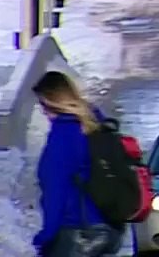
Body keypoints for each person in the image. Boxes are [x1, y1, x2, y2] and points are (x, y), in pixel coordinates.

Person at [32, 70, 122, 256]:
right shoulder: (96, 124)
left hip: (76, 232)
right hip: (106, 229)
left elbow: (56, 189)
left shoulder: (64, 135)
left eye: (43, 105)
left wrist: (47, 235)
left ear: (52, 102)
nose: (43, 112)